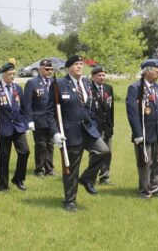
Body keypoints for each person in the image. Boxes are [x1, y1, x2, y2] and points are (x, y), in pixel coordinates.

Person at [46, 55, 110, 212]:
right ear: (69, 67)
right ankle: (70, 201)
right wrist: (55, 133)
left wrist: (94, 125)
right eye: (76, 64)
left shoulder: (87, 83)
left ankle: (87, 178)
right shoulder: (59, 84)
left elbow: (89, 109)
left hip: (88, 129)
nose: (80, 67)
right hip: (70, 131)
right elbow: (50, 112)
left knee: (103, 151)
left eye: (81, 64)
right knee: (71, 168)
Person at [125, 58, 158, 199]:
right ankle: (145, 191)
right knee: (145, 163)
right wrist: (137, 133)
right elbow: (132, 113)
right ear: (147, 72)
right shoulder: (135, 88)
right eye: (157, 71)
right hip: (145, 133)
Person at [0, 62, 30, 192]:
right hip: (3, 128)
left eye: (13, 74)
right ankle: (3, 185)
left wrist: (26, 123)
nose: (12, 76)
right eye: (9, 74)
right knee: (4, 157)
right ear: (2, 75)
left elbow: (23, 108)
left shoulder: (18, 88)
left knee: (25, 151)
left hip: (18, 126)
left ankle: (18, 178)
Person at [23, 59, 55, 177]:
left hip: (51, 119)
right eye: (47, 69)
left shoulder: (53, 82)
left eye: (50, 69)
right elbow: (27, 104)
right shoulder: (32, 82)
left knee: (50, 144)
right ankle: (39, 169)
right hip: (38, 119)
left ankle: (49, 169)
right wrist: (29, 120)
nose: (49, 71)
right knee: (41, 144)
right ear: (41, 69)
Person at [90, 65, 115, 185]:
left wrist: (111, 125)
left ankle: (105, 177)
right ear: (93, 77)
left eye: (103, 75)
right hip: (94, 127)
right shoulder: (88, 89)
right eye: (99, 75)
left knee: (108, 152)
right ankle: (91, 177)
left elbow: (111, 109)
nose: (102, 77)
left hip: (107, 126)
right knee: (96, 153)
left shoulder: (108, 88)